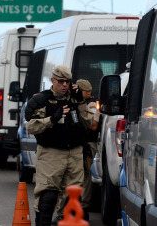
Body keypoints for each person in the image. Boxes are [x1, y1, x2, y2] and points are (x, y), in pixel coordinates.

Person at [25, 65, 94, 226]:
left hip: (74, 152)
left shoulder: (74, 99)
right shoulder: (42, 100)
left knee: (73, 198)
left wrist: (80, 101)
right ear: (53, 80)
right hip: (51, 154)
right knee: (48, 197)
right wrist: (51, 119)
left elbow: (89, 121)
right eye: (61, 81)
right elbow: (31, 127)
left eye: (67, 82)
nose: (65, 85)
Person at [53, 79, 100, 223]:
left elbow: (93, 125)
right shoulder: (76, 102)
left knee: (83, 177)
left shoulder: (92, 104)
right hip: (78, 143)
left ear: (86, 92)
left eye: (80, 91)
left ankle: (82, 209)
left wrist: (80, 119)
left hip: (87, 144)